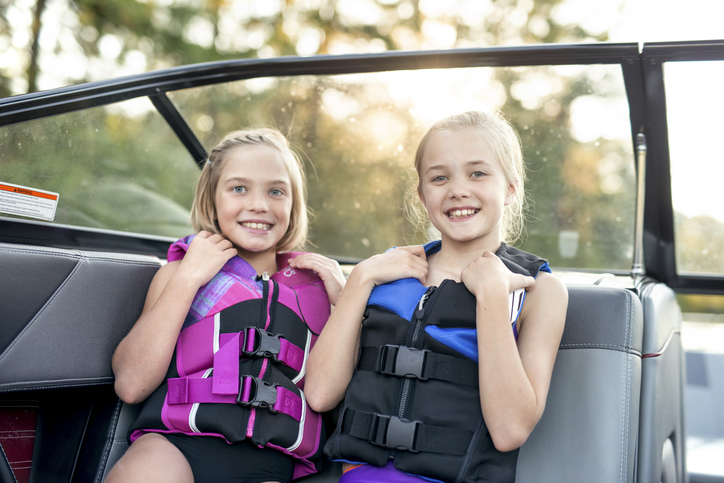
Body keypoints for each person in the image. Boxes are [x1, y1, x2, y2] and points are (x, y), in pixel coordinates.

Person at [305, 111, 568, 483]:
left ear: (510, 187)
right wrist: (359, 280)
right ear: (422, 195)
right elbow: (318, 395)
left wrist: (491, 295)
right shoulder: (383, 274)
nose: (458, 189)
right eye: (439, 177)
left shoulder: (539, 290)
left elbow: (510, 430)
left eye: (477, 173)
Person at [106, 128, 346, 483]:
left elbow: (332, 396)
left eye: (276, 191)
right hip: (176, 444)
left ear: (293, 204)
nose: (259, 205)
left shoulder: (319, 290)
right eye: (238, 188)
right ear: (211, 198)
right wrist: (188, 279)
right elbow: (131, 384)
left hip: (270, 462)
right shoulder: (179, 273)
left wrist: (344, 301)